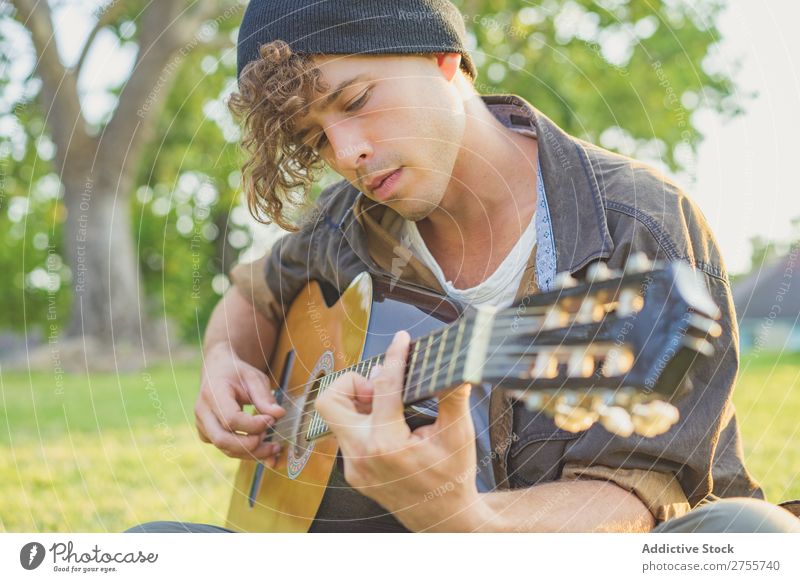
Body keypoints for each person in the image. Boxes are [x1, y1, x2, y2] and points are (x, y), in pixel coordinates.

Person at [129, 0, 799, 533]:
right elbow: (253, 296)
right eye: (316, 139)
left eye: (357, 100)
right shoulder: (344, 223)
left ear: (444, 56)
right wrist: (222, 357)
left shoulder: (638, 223)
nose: (348, 153)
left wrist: (461, 522)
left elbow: (636, 500)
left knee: (749, 535)